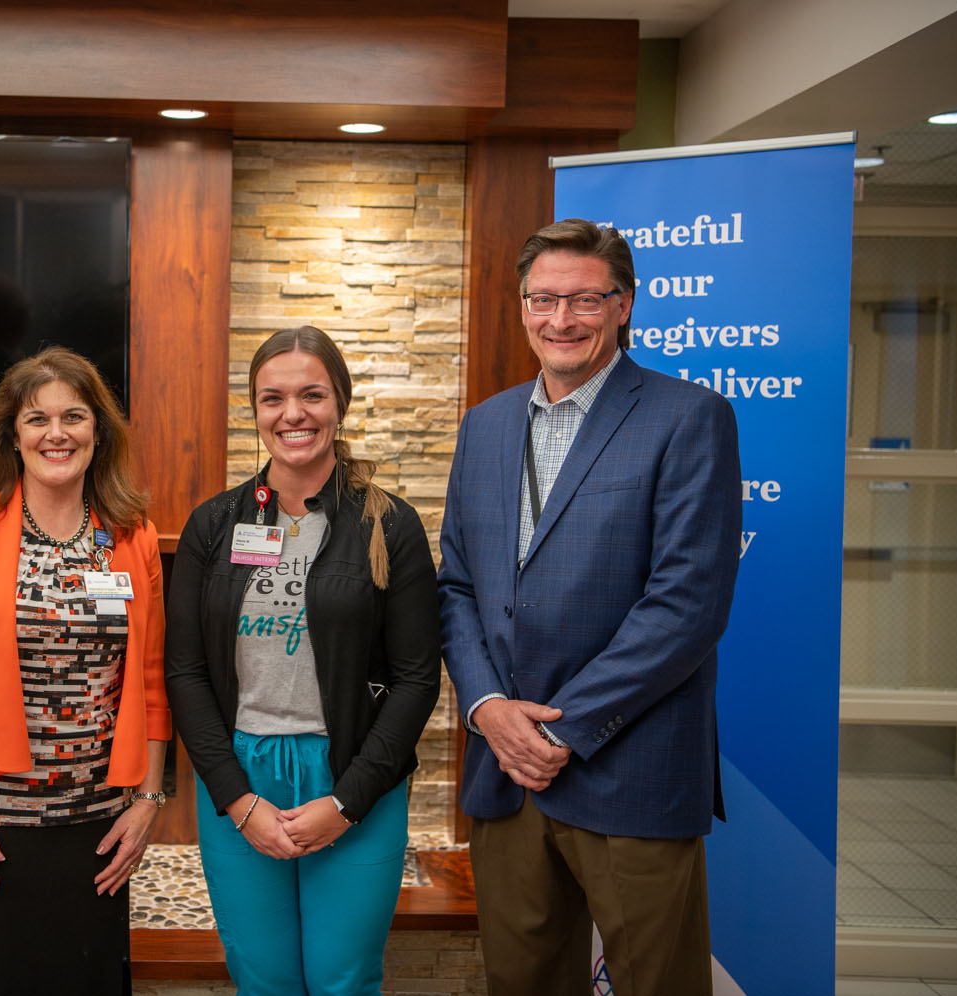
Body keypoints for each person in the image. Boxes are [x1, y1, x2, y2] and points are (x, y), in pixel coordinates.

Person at [438, 218, 742, 996]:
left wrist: (564, 730)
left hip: (630, 768)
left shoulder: (687, 417)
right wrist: (489, 710)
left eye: (584, 300)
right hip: (507, 772)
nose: (560, 319)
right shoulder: (486, 426)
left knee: (657, 983)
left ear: (624, 305)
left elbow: (687, 606)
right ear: (523, 305)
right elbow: (460, 587)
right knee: (522, 982)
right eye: (543, 299)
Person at [166, 325, 441, 996]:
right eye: (272, 398)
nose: (293, 414)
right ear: (255, 411)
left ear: (339, 403)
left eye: (312, 394)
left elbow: (416, 679)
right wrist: (236, 798)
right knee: (264, 979)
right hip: (241, 777)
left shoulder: (389, 524)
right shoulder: (213, 525)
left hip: (351, 774)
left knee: (342, 979)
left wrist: (346, 801)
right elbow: (185, 672)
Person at [0, 346, 170, 993]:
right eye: (37, 419)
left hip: (98, 829)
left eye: (74, 416)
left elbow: (153, 685)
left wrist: (148, 802)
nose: (57, 433)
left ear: (98, 431)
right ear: (13, 436)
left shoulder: (132, 538)